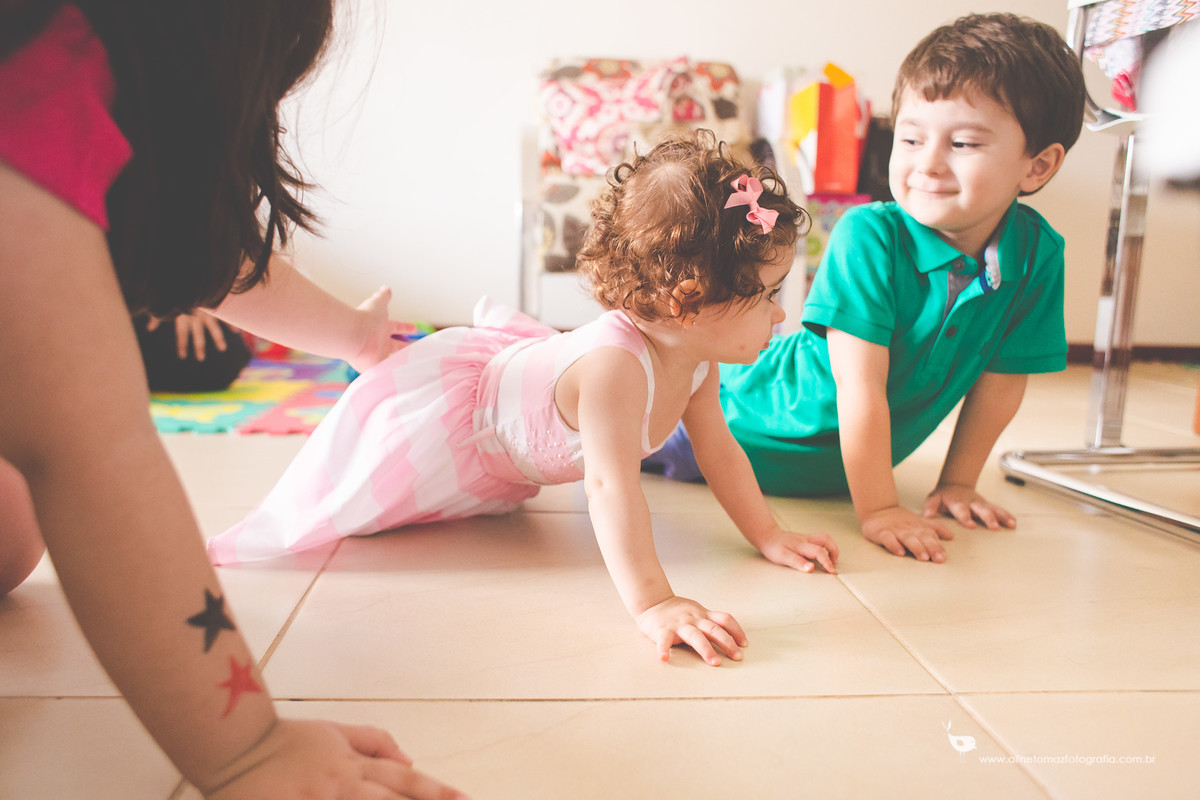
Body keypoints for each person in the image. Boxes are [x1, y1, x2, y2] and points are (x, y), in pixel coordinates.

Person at [0, 3, 467, 799]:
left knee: (13, 535)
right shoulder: (44, 82)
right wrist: (247, 751)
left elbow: (213, 256)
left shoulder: (84, 75)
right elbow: (97, 458)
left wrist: (357, 337)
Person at [207, 129, 840, 667]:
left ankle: (378, 351)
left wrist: (768, 533)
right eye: (765, 296)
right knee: (364, 499)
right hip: (467, 422)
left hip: (517, 426)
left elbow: (720, 451)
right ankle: (379, 359)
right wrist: (654, 601)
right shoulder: (616, 370)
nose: (780, 315)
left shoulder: (697, 360)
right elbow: (609, 489)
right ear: (688, 303)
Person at [646, 13, 1087, 565]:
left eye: (965, 143)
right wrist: (879, 509)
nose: (927, 164)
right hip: (732, 422)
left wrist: (958, 483)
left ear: (1038, 165)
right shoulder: (869, 235)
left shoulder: (1038, 255)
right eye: (910, 137)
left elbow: (1000, 385)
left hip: (823, 475)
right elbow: (860, 386)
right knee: (588, 427)